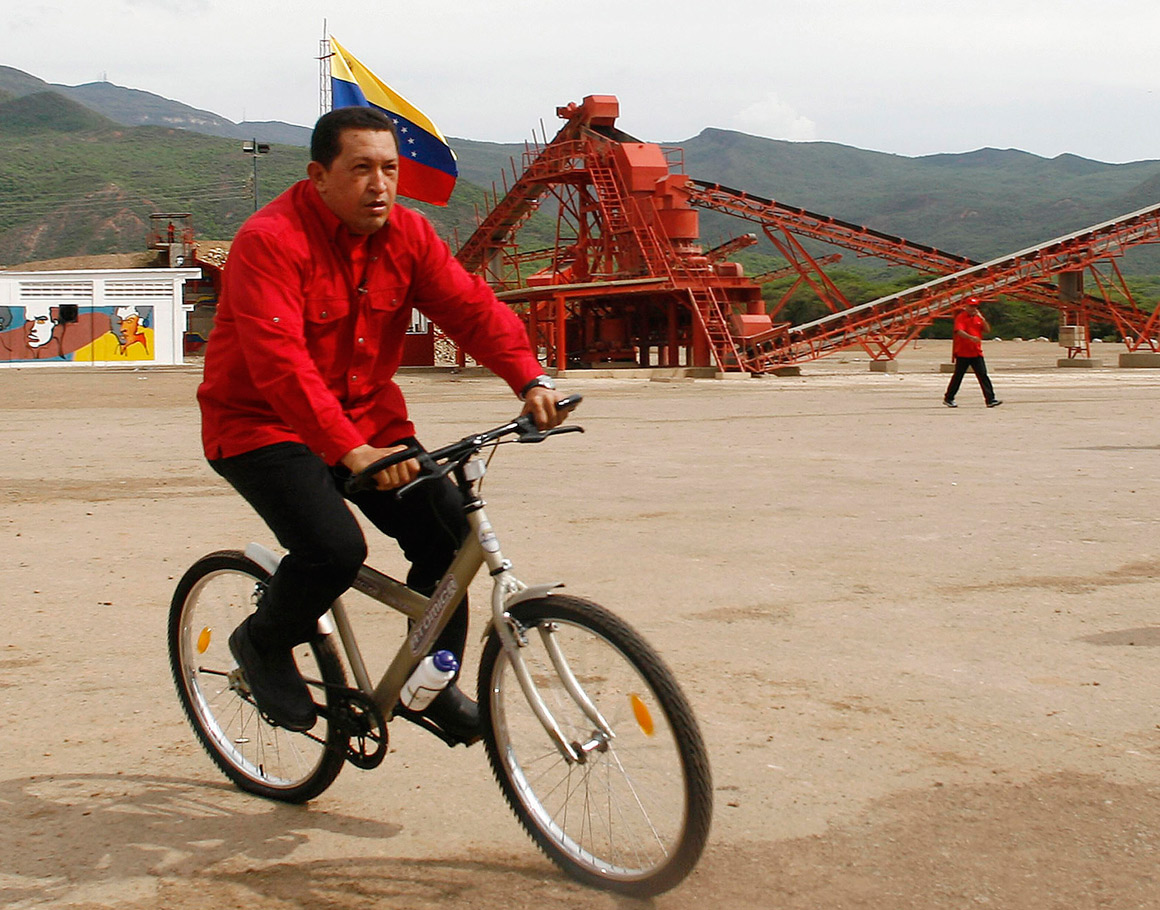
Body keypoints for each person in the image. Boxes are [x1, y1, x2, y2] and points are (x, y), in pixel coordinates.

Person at [197, 106, 566, 742]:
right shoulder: (270, 240)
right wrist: (350, 450)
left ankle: (429, 682)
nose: (380, 185)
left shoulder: (409, 235)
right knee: (334, 550)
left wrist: (530, 379)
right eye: (361, 168)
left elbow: (471, 309)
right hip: (262, 426)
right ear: (319, 175)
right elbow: (280, 364)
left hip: (369, 420)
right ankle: (262, 643)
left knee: (450, 537)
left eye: (390, 169)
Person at [943, 297, 1002, 408]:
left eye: (975, 306)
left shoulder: (977, 318)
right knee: (958, 376)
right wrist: (971, 337)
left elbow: (987, 330)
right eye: (971, 306)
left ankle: (990, 399)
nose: (973, 308)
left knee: (983, 375)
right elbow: (959, 331)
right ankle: (949, 398)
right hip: (963, 352)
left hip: (976, 352)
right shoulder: (961, 317)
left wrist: (982, 319)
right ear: (966, 306)